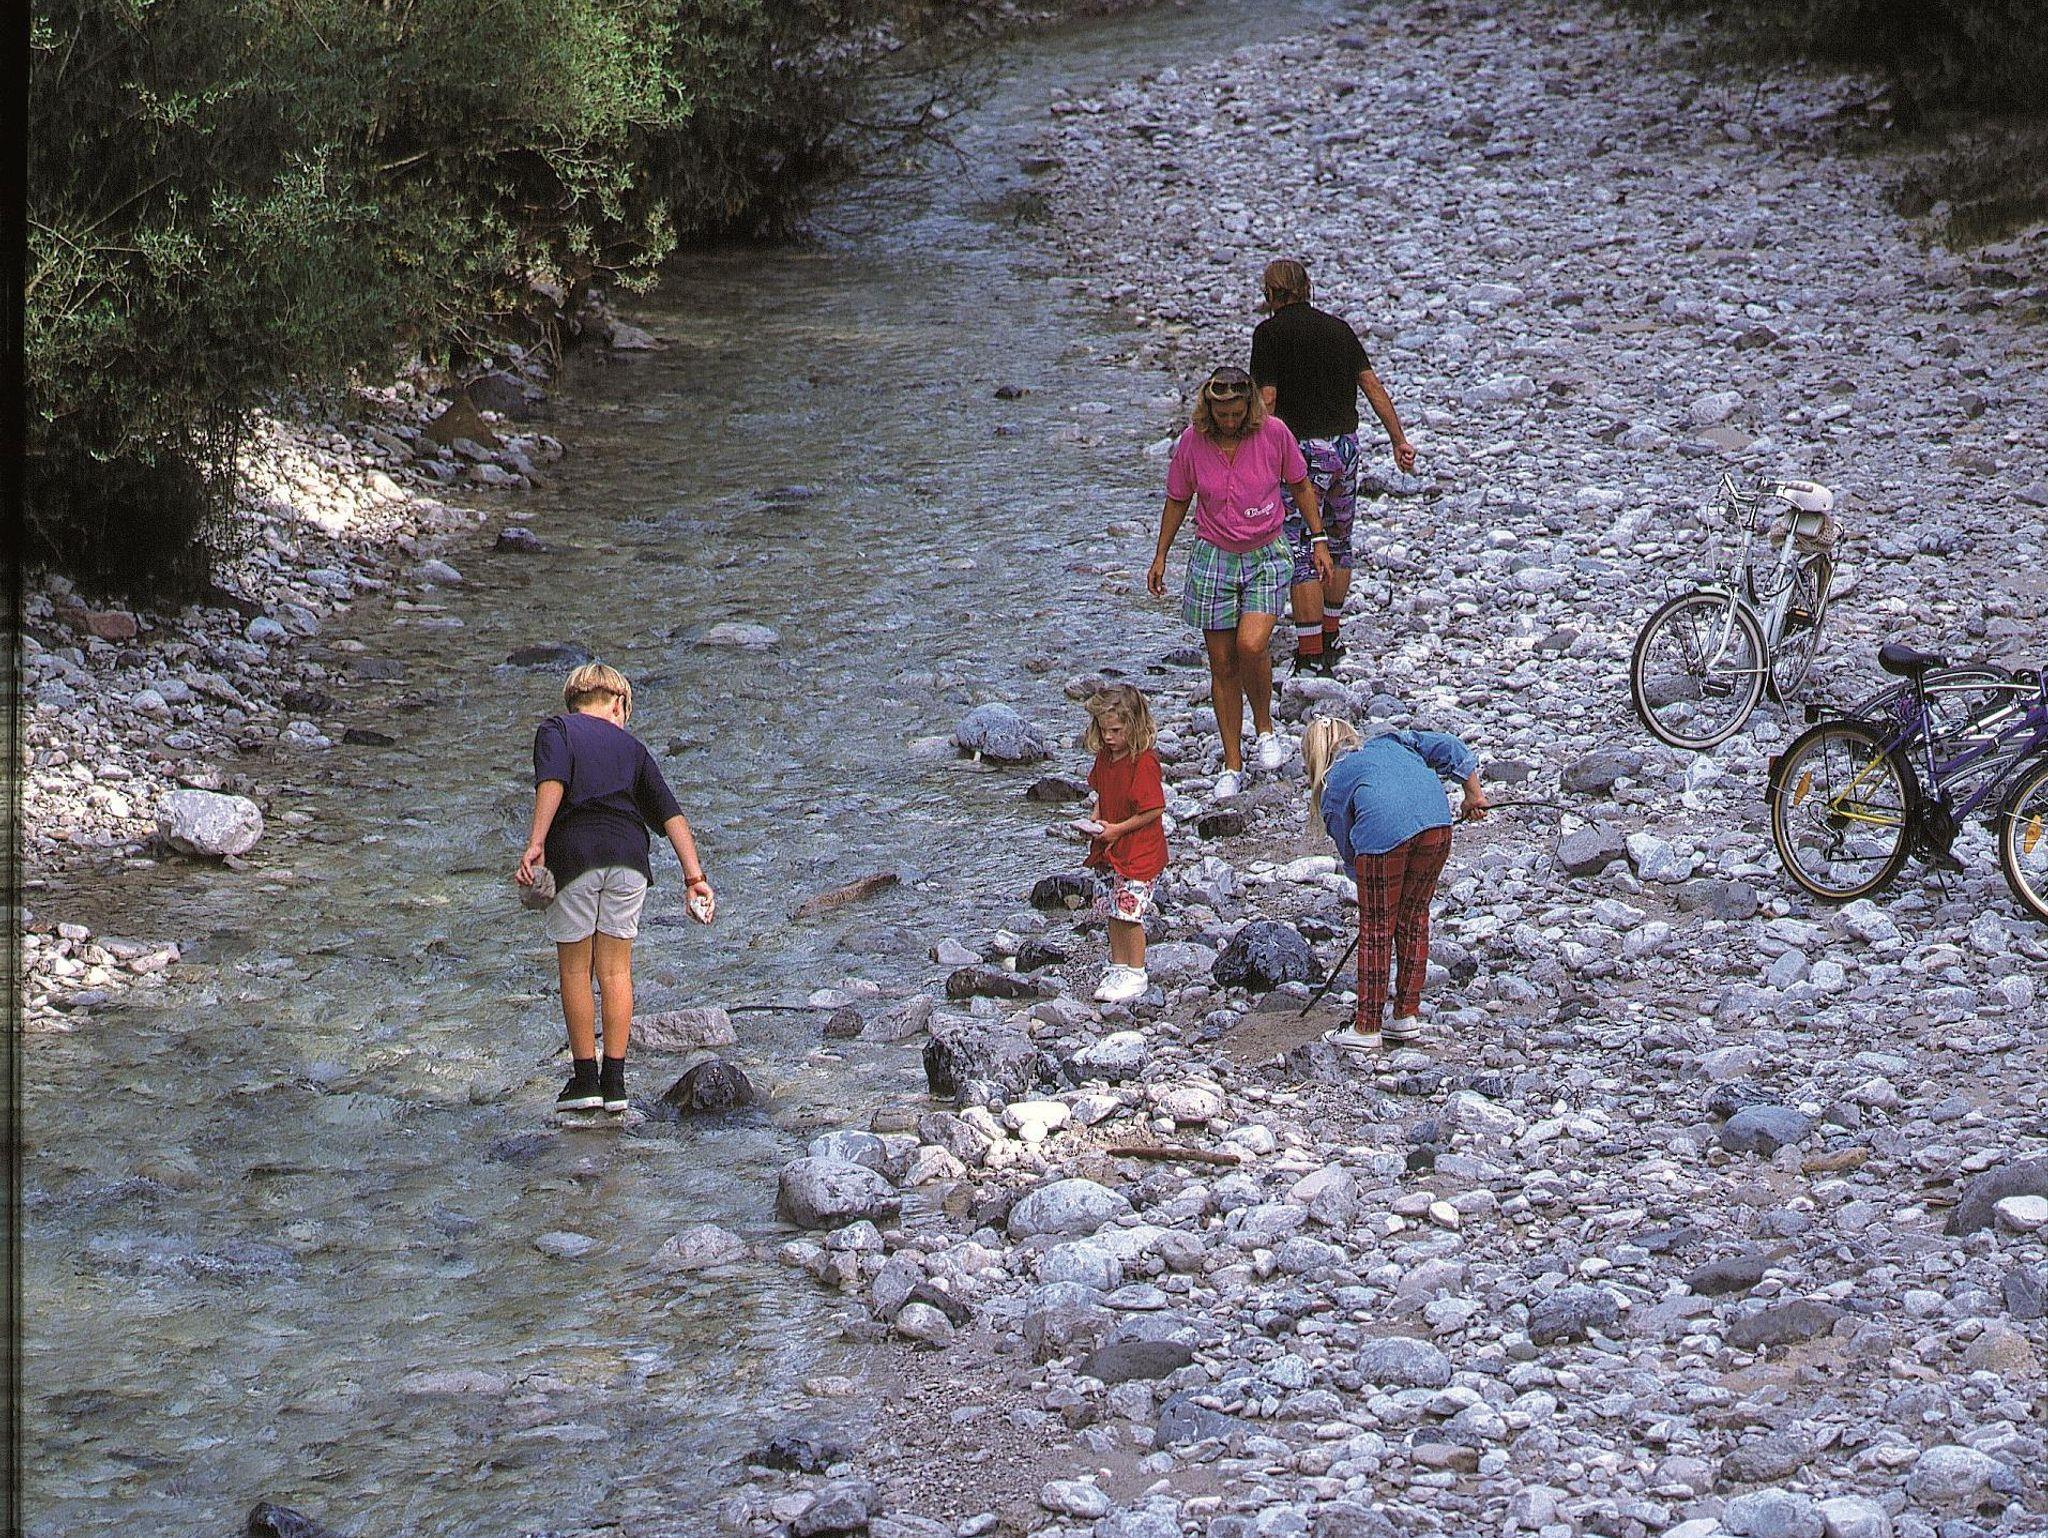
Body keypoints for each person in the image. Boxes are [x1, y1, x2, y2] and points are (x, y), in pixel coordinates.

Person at [515, 663, 715, 1115]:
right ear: (618, 704)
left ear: (575, 701)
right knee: (617, 971)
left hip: (576, 856)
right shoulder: (633, 748)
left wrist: (536, 843)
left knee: (575, 970)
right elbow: (671, 816)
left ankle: (585, 1080)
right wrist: (694, 878)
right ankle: (616, 1084)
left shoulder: (556, 730)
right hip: (629, 861)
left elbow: (552, 783)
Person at [1148, 364, 1335, 799]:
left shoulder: (1274, 434)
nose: (1229, 421)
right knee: (1222, 664)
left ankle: (1265, 727)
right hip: (1213, 555)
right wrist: (1160, 555)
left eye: (1236, 413)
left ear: (1248, 406)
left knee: (1251, 644)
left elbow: (1300, 485)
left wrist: (1319, 539)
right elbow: (1178, 499)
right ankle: (1232, 763)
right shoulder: (1192, 442)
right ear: (1209, 409)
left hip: (1266, 552)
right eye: (1222, 414)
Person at [1250, 259, 1417, 676]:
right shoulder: (1338, 329)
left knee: (1302, 545)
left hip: (1300, 454)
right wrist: (1398, 439)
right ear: (1307, 287)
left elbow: (1267, 400)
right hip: (1345, 448)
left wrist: (1252, 451)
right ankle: (1331, 635)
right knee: (1339, 541)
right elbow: (1372, 386)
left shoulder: (1269, 334)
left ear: (1270, 293)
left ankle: (1310, 655)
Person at [1302, 717, 1487, 1053]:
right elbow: (1450, 746)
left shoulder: (1333, 782)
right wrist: (1473, 794)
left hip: (1383, 837)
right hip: (1437, 825)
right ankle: (1405, 1016)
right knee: (1414, 918)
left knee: (1376, 929)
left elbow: (1351, 851)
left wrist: (1376, 894)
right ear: (1351, 735)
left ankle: (1366, 1027)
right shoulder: (1395, 740)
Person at [1077, 684, 1170, 1005]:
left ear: (1134, 725)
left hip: (1138, 852)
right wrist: (1095, 819)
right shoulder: (1106, 758)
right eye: (1103, 730)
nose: (1108, 737)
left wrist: (1117, 829)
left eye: (1116, 731)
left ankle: (1136, 971)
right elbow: (1102, 793)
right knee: (1112, 910)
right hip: (1110, 849)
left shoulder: (1143, 762)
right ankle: (1118, 966)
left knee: (1129, 914)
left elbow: (1154, 808)